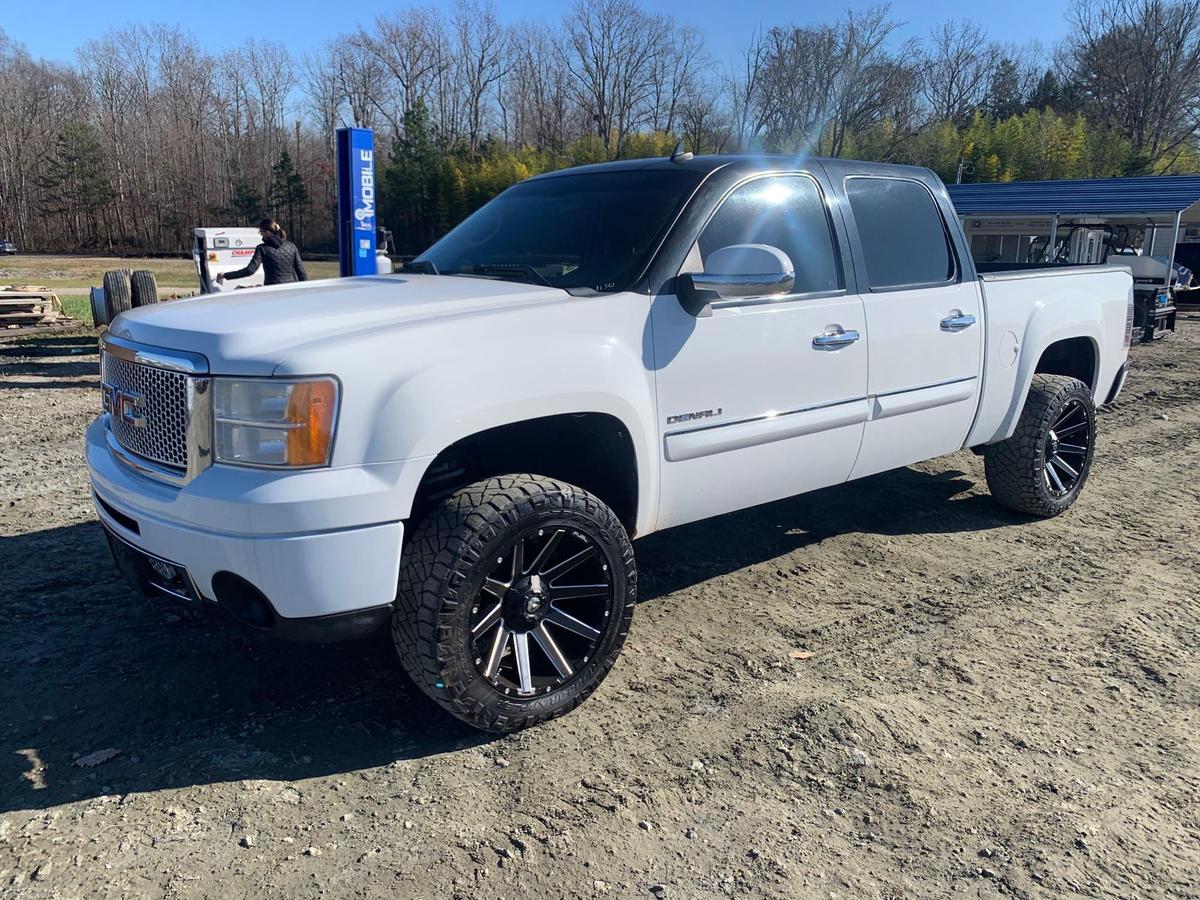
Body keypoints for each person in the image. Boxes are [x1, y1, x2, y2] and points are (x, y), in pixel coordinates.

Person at [217, 218, 308, 286]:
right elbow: (301, 272)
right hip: (290, 288)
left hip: (272, 289)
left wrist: (226, 275)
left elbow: (250, 270)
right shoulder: (291, 246)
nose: (260, 234)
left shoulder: (262, 248)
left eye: (261, 231)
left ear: (268, 232)